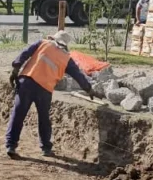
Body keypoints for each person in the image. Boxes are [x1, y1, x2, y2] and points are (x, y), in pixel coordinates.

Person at [6, 30, 94, 159]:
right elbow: (78, 75)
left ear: (53, 38)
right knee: (44, 119)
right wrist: (89, 90)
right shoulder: (66, 58)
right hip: (44, 89)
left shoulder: (42, 43)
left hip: (27, 82)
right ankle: (46, 148)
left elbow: (24, 54)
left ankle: (11, 145)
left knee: (18, 114)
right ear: (65, 45)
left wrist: (15, 70)